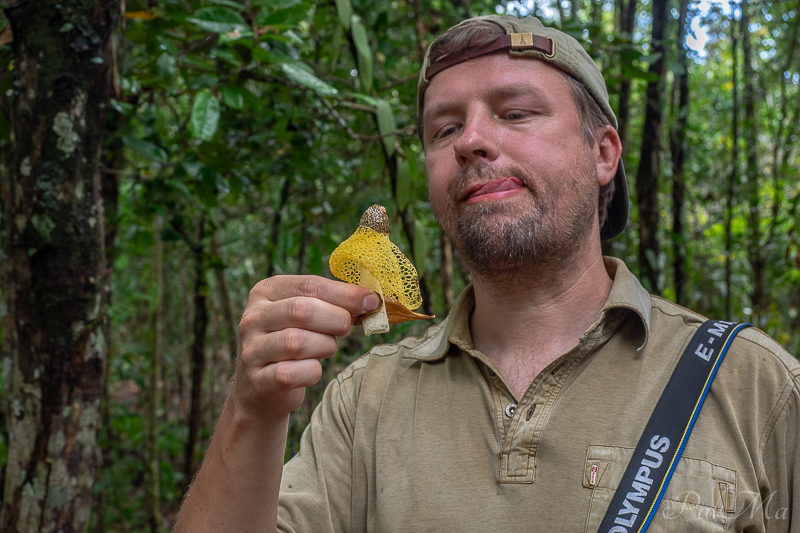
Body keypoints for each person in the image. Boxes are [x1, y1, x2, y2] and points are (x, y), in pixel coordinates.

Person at [175, 15, 799, 533]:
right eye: (444, 129)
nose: (470, 140)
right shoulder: (365, 400)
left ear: (603, 152)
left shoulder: (754, 386)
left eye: (516, 113)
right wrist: (253, 411)